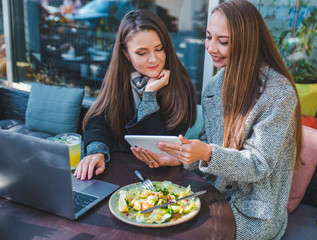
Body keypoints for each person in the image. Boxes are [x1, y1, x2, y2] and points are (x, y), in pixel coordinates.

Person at [132, 1, 303, 239]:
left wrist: (206, 153)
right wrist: (177, 159)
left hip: (253, 213)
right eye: (208, 37)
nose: (211, 48)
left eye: (223, 41)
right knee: (151, 218)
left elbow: (257, 164)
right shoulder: (215, 86)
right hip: (213, 193)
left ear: (248, 41)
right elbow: (207, 143)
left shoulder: (279, 94)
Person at [74, 9, 197, 181]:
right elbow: (99, 119)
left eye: (159, 49)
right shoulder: (120, 76)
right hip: (120, 166)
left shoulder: (181, 85)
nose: (153, 59)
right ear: (126, 54)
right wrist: (97, 151)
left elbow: (159, 146)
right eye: (142, 53)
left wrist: (149, 96)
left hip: (162, 175)